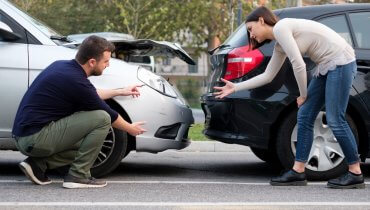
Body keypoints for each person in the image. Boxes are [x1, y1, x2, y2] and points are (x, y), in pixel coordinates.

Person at [214, 6, 364, 189]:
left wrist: (303, 95)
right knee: (305, 115)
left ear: (262, 20)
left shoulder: (281, 27)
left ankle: (355, 172)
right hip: (327, 67)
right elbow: (268, 76)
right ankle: (298, 171)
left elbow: (299, 65)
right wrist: (236, 87)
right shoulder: (280, 44)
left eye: (251, 29)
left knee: (335, 119)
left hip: (341, 63)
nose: (251, 35)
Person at [12, 35, 147, 189]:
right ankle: (78, 175)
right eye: (106, 61)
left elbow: (91, 93)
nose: (108, 65)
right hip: (35, 138)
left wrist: (121, 91)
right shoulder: (75, 80)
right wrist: (131, 128)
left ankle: (37, 165)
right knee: (102, 118)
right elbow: (109, 114)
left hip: (27, 136)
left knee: (90, 143)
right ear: (92, 62)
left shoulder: (62, 67)